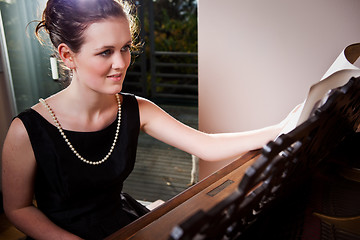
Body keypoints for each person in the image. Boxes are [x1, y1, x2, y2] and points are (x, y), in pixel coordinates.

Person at [1, 0, 299, 239]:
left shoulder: (136, 109)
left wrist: (285, 127)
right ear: (67, 56)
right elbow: (17, 208)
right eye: (105, 52)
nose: (121, 63)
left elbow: (206, 145)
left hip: (126, 223)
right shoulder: (25, 130)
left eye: (125, 48)